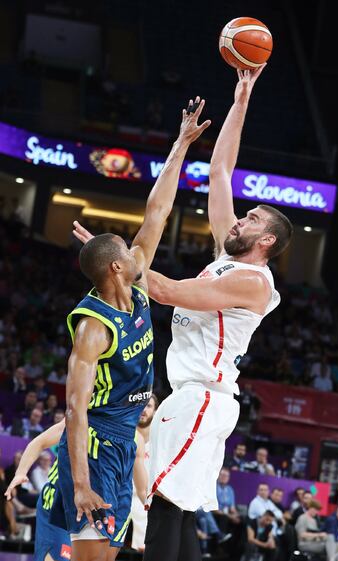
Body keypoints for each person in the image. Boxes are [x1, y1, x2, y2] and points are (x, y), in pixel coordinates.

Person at [74, 68, 293, 561]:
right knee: (177, 508)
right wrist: (242, 98)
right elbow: (220, 172)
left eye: (251, 219)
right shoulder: (227, 255)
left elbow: (168, 291)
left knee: (160, 503)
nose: (239, 218)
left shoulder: (251, 281)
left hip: (202, 398)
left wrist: (117, 263)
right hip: (197, 398)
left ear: (267, 242)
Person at [53, 99, 210, 561]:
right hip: (98, 442)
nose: (137, 242)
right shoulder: (92, 329)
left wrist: (180, 144)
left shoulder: (133, 280)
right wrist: (81, 484)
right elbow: (74, 408)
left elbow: (157, 211)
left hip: (127, 441)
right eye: (127, 245)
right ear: (117, 267)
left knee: (113, 556)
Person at [5, 418, 147, 561]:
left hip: (106, 504)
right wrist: (20, 473)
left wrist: (153, 510)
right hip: (60, 499)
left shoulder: (135, 438)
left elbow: (142, 489)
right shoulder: (83, 417)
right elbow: (40, 442)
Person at [130, 393, 159, 552]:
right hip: (121, 497)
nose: (144, 410)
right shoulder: (124, 433)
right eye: (141, 405)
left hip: (146, 501)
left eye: (149, 406)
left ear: (155, 411)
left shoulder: (160, 441)